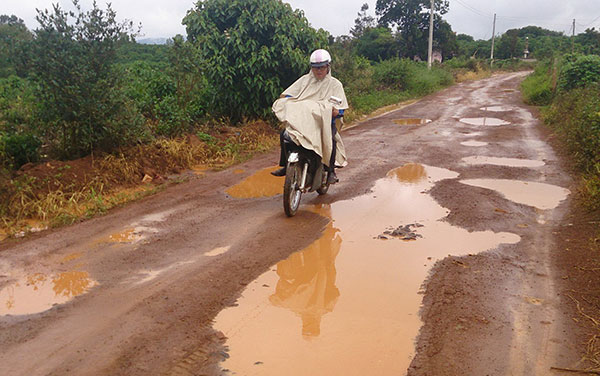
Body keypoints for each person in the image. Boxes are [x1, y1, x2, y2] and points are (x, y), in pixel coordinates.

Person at [270, 49, 348, 185]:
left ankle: (330, 171)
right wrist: (288, 101)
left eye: (322, 67)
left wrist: (337, 112)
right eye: (315, 68)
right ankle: (285, 165)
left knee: (330, 139)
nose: (319, 71)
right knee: (285, 134)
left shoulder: (335, 84)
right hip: (304, 122)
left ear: (328, 67)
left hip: (322, 124)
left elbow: (340, 107)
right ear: (311, 68)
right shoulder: (304, 81)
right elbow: (290, 94)